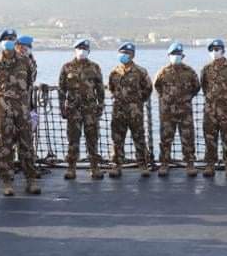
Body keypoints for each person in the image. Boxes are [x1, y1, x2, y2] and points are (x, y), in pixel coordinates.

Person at [0, 29, 40, 196]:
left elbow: (30, 81)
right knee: (5, 147)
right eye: (7, 39)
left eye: (12, 39)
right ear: (1, 42)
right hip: (3, 111)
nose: (9, 41)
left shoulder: (26, 61)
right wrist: (2, 99)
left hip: (22, 110)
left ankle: (30, 180)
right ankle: (7, 182)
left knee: (26, 145)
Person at [58, 39, 105, 180]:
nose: (82, 51)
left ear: (88, 51)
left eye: (84, 48)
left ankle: (94, 167)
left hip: (90, 109)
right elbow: (62, 89)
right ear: (75, 50)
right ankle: (71, 168)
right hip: (73, 110)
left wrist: (100, 106)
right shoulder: (67, 67)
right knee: (73, 139)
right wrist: (62, 107)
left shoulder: (95, 67)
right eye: (79, 48)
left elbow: (100, 89)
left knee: (92, 138)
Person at [154, 42, 201, 177]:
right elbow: (157, 87)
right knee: (166, 138)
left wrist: (186, 99)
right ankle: (164, 163)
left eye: (178, 54)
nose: (176, 56)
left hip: (185, 111)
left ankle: (190, 163)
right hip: (167, 112)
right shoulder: (163, 72)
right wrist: (166, 100)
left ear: (183, 55)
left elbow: (196, 87)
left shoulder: (190, 72)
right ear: (169, 55)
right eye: (174, 54)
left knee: (188, 137)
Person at [199, 38, 227, 177]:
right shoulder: (205, 69)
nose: (214, 52)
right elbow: (204, 86)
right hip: (210, 110)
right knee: (209, 137)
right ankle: (210, 164)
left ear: (223, 51)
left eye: (217, 49)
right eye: (212, 50)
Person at [108, 42, 153, 178]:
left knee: (139, 138)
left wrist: (137, 101)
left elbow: (148, 88)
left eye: (127, 53)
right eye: (122, 53)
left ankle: (143, 165)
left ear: (133, 55)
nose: (124, 55)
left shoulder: (141, 71)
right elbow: (111, 88)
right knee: (117, 139)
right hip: (118, 111)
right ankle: (116, 165)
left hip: (135, 112)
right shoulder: (114, 72)